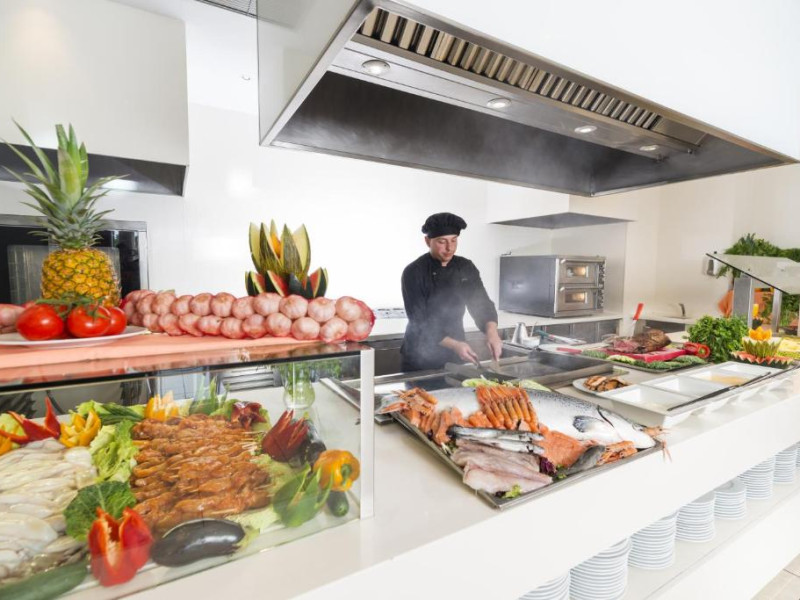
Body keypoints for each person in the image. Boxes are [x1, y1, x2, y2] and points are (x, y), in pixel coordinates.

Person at [400, 212, 503, 372]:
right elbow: (419, 321)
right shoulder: (414, 272)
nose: (450, 248)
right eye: (442, 242)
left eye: (454, 240)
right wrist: (455, 344)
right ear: (427, 241)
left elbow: (481, 304)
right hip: (420, 357)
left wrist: (492, 332)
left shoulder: (465, 267)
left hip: (456, 354)